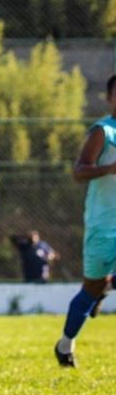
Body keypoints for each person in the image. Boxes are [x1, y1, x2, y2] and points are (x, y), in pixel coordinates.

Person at [55, 74, 116, 368]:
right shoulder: (103, 132)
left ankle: (109, 284)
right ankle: (65, 345)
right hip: (103, 225)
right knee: (91, 288)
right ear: (109, 98)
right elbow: (79, 172)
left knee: (101, 286)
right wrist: (109, 168)